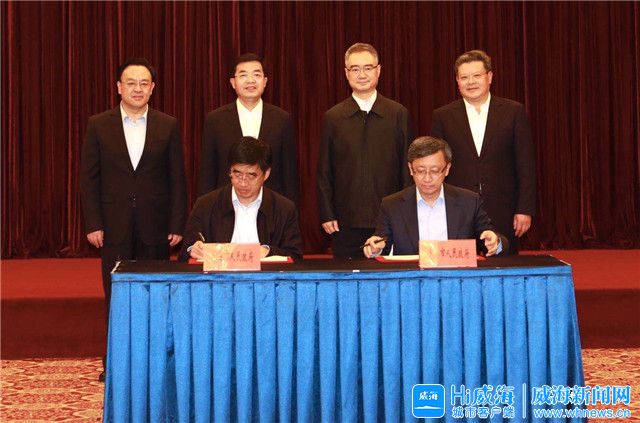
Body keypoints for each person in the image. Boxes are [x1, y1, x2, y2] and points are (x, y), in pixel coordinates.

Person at [80, 57, 187, 380]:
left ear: (153, 88)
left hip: (156, 226)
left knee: (157, 295)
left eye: (144, 83)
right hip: (114, 226)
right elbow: (89, 180)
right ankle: (116, 361)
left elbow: (177, 179)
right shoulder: (99, 125)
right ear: (118, 87)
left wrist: (176, 223)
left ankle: (156, 361)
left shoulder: (168, 125)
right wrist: (93, 223)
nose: (137, 89)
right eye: (131, 83)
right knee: (117, 295)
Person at [431, 49, 536, 253]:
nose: (471, 82)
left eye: (476, 75)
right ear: (457, 81)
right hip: (457, 210)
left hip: (503, 209)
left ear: (489, 77)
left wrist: (525, 209)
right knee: (460, 267)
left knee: (502, 266)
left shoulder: (513, 112)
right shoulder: (443, 116)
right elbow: (436, 165)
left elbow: (525, 164)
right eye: (464, 77)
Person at [316, 42, 413, 258]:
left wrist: (406, 213)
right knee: (346, 276)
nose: (362, 75)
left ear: (378, 71)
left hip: (389, 220)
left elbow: (407, 170)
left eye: (368, 68)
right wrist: (326, 212)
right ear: (346, 73)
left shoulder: (398, 114)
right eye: (355, 69)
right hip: (344, 221)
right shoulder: (333, 117)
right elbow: (324, 170)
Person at [363, 136, 506, 258]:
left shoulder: (469, 202)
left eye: (435, 171)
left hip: (456, 278)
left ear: (447, 169)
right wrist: (375, 248)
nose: (427, 178)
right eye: (420, 171)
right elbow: (381, 243)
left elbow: (491, 238)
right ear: (410, 169)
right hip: (413, 279)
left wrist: (495, 242)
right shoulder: (392, 205)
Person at [180, 136, 303, 261]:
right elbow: (185, 252)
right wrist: (192, 249)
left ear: (266, 174)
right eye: (237, 174)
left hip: (265, 273)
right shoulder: (205, 205)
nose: (243, 183)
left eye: (251, 175)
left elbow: (295, 256)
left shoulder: (284, 209)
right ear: (230, 171)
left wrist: (268, 251)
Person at [198, 53, 298, 202]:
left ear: (265, 81)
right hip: (226, 206)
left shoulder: (282, 119)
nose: (250, 80)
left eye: (256, 75)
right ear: (233, 82)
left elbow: (289, 175)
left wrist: (290, 211)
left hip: (270, 206)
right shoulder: (215, 120)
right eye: (243, 75)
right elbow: (207, 173)